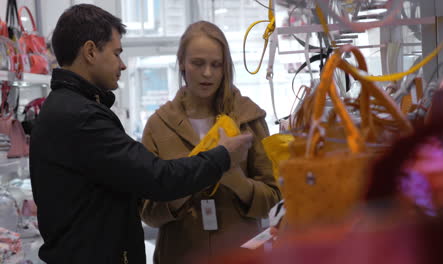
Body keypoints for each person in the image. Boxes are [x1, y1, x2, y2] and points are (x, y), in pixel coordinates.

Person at [29, 5, 253, 264]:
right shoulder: (83, 117)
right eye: (116, 53)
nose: (123, 65)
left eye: (216, 64)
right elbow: (157, 178)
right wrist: (223, 156)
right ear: (90, 51)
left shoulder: (69, 108)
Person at [140, 21, 281, 264]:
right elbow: (147, 212)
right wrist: (186, 181)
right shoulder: (158, 125)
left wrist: (238, 183)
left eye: (216, 65)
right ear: (182, 63)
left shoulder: (248, 118)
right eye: (198, 63)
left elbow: (274, 199)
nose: (208, 73)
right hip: (181, 256)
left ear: (226, 68)